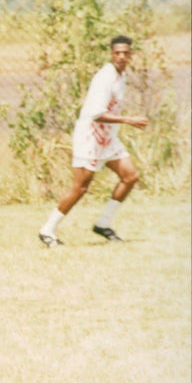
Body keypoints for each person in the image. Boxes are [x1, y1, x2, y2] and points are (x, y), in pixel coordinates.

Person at [38, 35, 149, 247]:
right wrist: (129, 120)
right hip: (89, 138)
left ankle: (103, 223)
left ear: (131, 55)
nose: (121, 57)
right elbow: (96, 114)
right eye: (117, 53)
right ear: (111, 54)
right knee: (80, 188)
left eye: (126, 53)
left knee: (130, 176)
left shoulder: (120, 76)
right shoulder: (104, 77)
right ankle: (47, 229)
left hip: (108, 138)